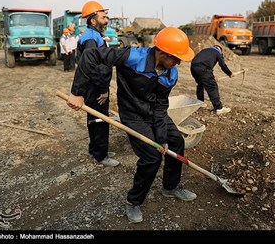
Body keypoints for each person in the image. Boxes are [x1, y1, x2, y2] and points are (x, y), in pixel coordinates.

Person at [67, 27, 197, 223]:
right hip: (133, 114)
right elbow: (90, 55)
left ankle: (170, 186)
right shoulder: (132, 56)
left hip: (154, 113)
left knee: (176, 141)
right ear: (161, 52)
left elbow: (161, 105)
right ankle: (133, 201)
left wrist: (161, 137)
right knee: (152, 157)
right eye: (175, 58)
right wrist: (78, 92)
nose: (178, 62)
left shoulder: (171, 73)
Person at [76, 0, 119, 167]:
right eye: (103, 17)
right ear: (93, 21)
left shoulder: (93, 35)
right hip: (95, 87)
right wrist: (102, 89)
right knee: (99, 120)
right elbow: (93, 67)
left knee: (95, 119)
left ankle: (97, 150)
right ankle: (100, 155)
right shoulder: (91, 39)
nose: (106, 20)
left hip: (95, 85)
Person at [190, 45, 233, 115]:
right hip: (203, 70)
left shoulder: (205, 50)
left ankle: (200, 103)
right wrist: (230, 73)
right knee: (212, 87)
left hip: (193, 68)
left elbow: (205, 63)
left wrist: (211, 76)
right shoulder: (217, 53)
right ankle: (219, 108)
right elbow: (223, 65)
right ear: (220, 50)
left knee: (200, 84)